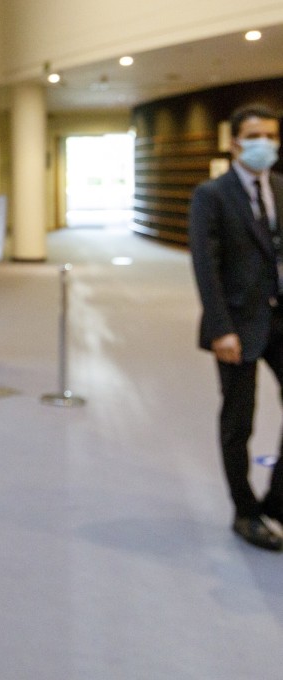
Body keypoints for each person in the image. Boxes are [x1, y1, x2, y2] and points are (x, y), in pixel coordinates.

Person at [190, 104, 283, 552]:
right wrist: (220, 328)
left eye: (271, 136)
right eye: (255, 136)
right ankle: (245, 511)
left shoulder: (279, 188)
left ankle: (278, 500)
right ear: (234, 143)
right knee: (238, 421)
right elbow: (205, 267)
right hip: (237, 325)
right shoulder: (212, 195)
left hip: (280, 318)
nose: (265, 143)